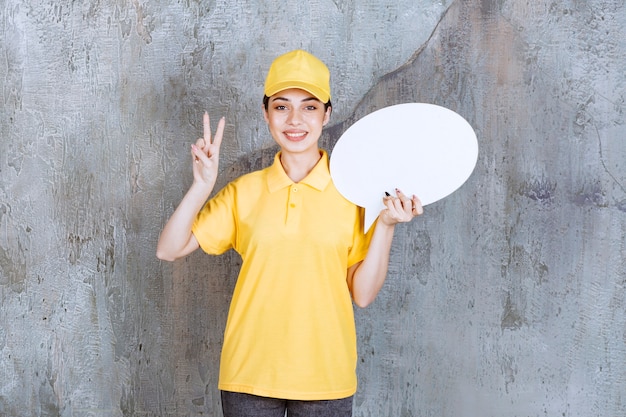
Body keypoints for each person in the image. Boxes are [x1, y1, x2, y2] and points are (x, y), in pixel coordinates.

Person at [156, 49, 423, 417]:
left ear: (327, 114)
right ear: (266, 114)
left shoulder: (355, 194)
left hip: (326, 378)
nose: (295, 119)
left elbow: (362, 294)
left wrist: (386, 226)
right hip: (248, 375)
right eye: (281, 107)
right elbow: (169, 249)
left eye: (310, 107)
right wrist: (202, 187)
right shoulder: (242, 192)